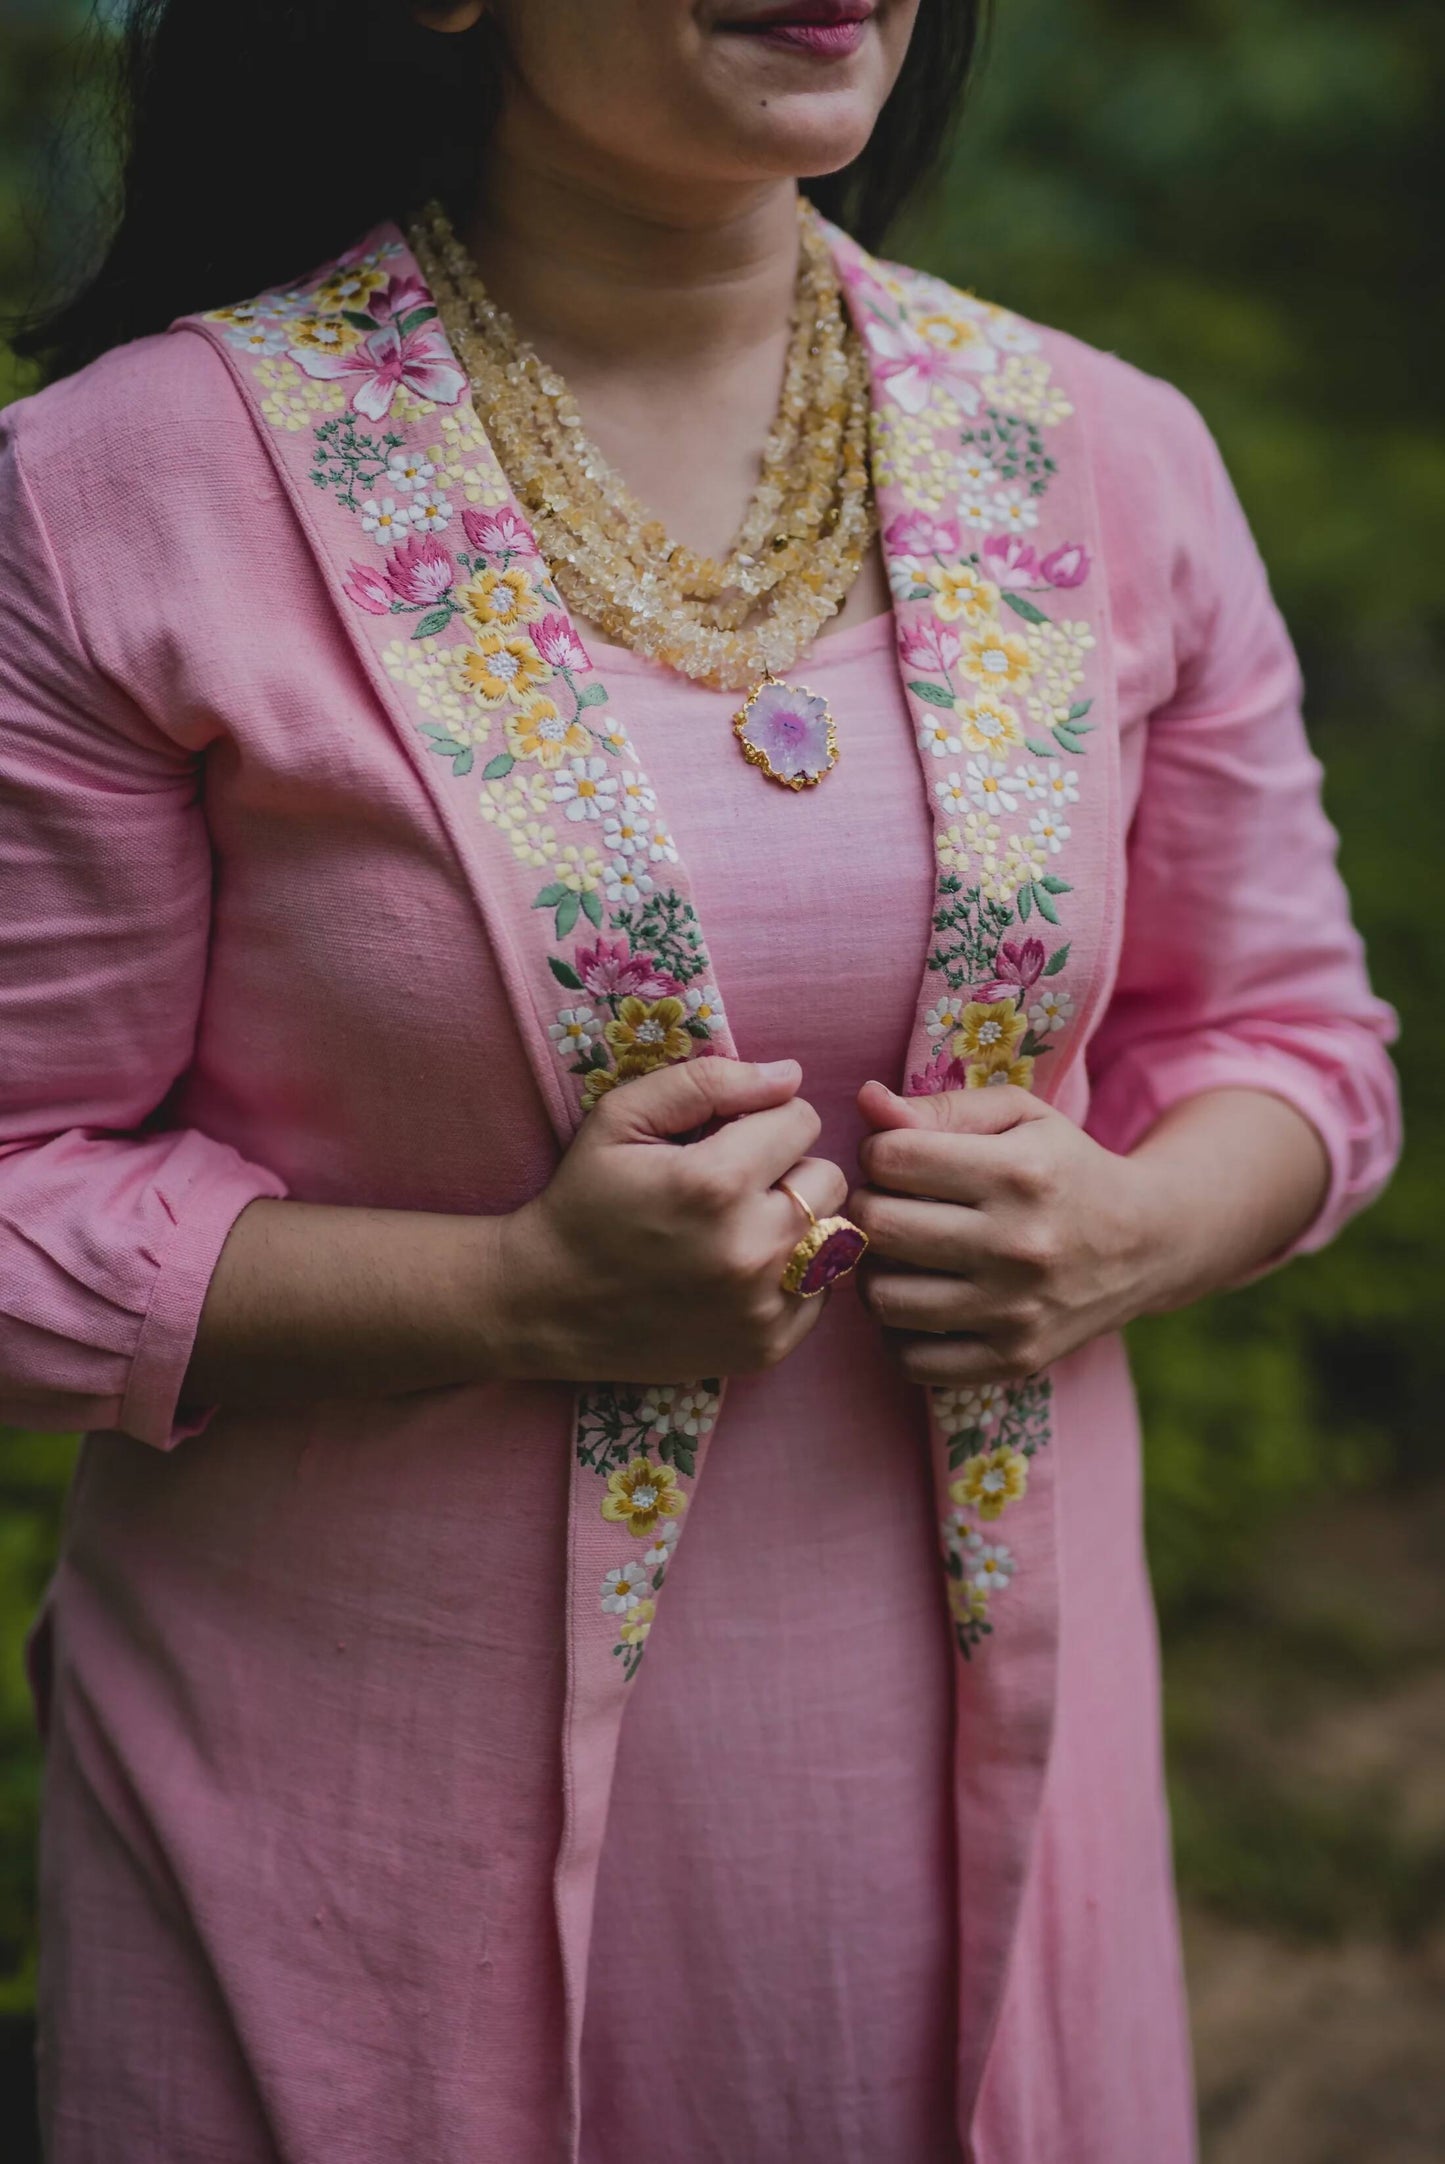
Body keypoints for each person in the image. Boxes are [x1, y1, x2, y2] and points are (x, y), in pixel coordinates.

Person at [0, 3, 1400, 2159]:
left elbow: (1299, 1044)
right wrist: (512, 1298)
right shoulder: (123, 494)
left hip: (970, 1824)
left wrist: (1134, 1221)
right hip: (335, 1842)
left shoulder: (1107, 454)